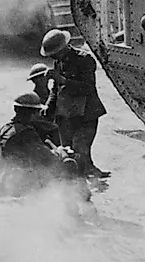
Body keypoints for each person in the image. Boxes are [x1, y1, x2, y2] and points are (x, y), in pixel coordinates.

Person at [41, 29, 110, 179]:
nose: (53, 57)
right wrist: (49, 105)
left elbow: (87, 87)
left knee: (81, 146)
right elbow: (56, 89)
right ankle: (82, 173)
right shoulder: (58, 61)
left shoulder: (84, 59)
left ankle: (84, 177)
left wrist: (63, 80)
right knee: (68, 149)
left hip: (86, 112)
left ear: (65, 47)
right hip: (67, 112)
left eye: (55, 53)